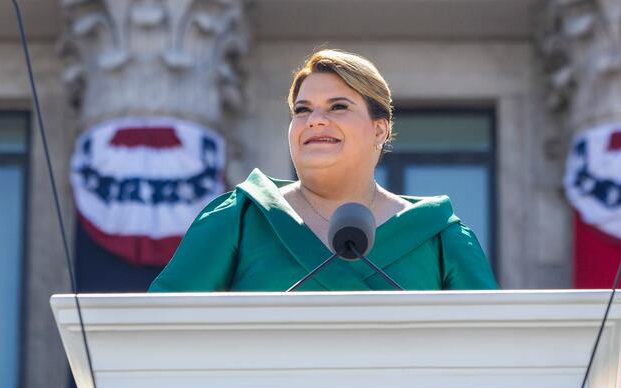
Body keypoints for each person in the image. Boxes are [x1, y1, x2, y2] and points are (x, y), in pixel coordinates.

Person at [150, 49, 498, 292]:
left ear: (380, 130)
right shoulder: (241, 218)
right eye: (302, 110)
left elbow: (492, 345)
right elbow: (160, 332)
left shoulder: (439, 235)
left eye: (338, 106)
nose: (315, 120)